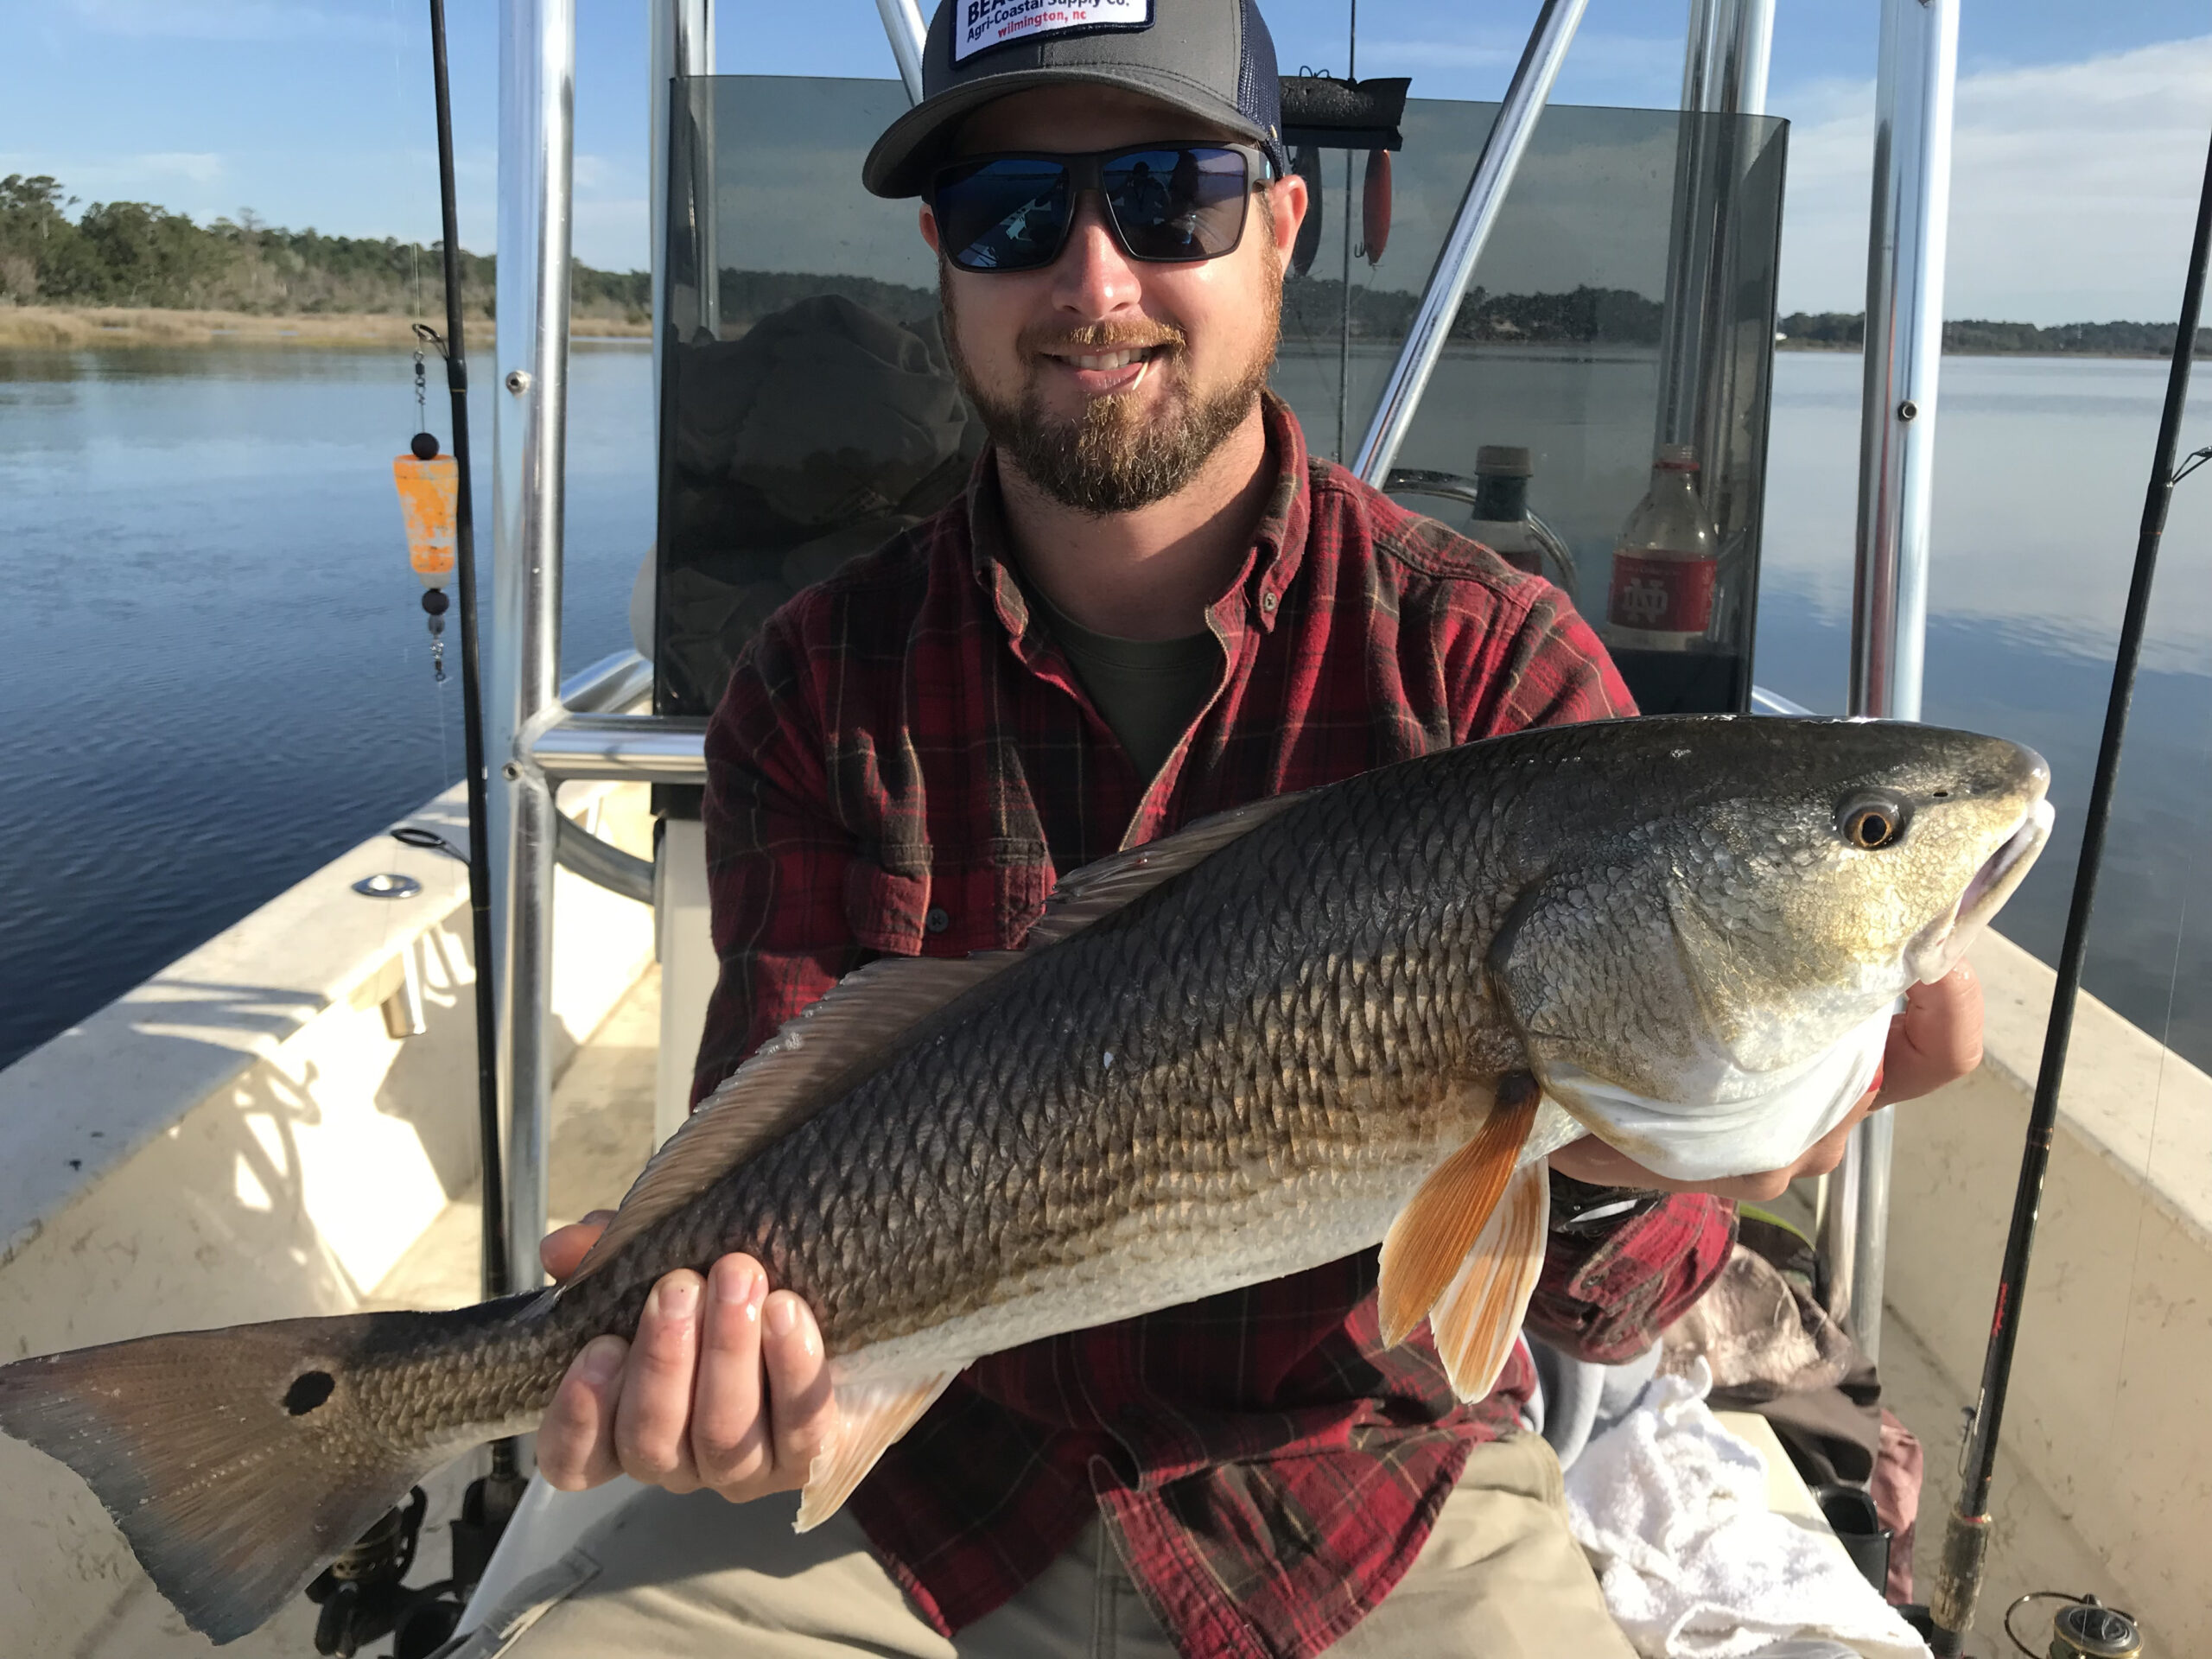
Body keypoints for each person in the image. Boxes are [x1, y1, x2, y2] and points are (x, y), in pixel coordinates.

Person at [484, 0, 1985, 1653]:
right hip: (918, 1495)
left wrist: (1647, 1161)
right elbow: (795, 1111)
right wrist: (719, 1369)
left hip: (1360, 1495)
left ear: (1283, 222)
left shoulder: (1489, 661)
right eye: (1012, 215)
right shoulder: (817, 678)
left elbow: (1612, 1304)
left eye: (1168, 195)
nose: (1094, 281)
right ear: (942, 259)